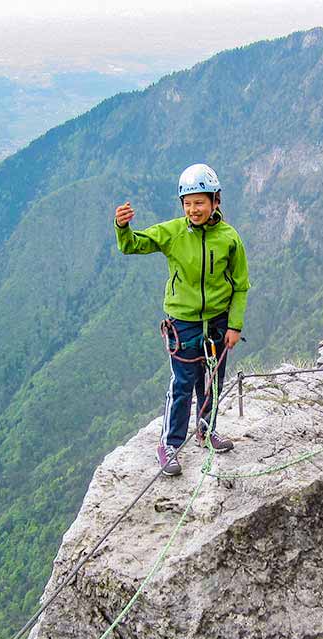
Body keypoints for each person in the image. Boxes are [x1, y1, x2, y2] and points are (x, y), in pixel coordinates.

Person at [114, 163, 250, 477]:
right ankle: (170, 444)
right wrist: (122, 228)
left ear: (216, 201)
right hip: (184, 323)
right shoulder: (173, 232)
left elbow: (241, 284)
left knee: (212, 380)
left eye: (199, 202)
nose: (193, 209)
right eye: (187, 203)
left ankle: (205, 430)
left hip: (217, 322)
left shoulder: (229, 239)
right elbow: (133, 245)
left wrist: (234, 325)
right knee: (183, 384)